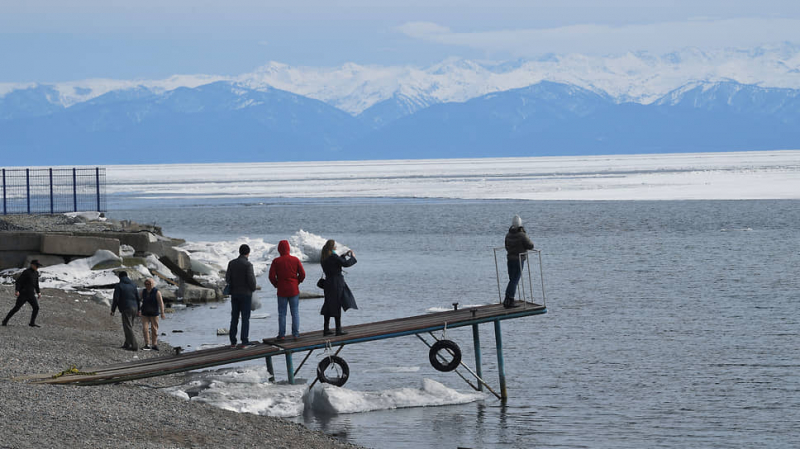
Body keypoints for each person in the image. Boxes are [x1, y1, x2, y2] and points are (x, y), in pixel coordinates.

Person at [268, 240, 306, 341]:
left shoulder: (276, 261)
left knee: (282, 313)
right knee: (295, 312)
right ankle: (296, 334)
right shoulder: (295, 260)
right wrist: (297, 282)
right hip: (293, 289)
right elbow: (302, 274)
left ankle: (282, 334)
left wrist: (276, 284)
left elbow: (271, 276)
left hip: (282, 290)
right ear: (289, 248)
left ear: (279, 249)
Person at [319, 239, 357, 336]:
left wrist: (343, 255)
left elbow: (338, 261)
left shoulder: (324, 257)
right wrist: (352, 257)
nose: (336, 247)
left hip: (328, 283)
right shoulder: (333, 256)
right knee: (337, 304)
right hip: (336, 283)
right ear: (332, 247)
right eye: (335, 246)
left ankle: (326, 329)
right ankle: (338, 330)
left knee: (328, 304)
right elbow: (346, 264)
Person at [226, 244, 257, 348]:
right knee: (245, 318)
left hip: (234, 294)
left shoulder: (231, 263)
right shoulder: (248, 265)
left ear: (239, 252)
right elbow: (251, 281)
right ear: (248, 253)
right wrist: (253, 289)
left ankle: (233, 342)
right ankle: (244, 341)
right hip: (246, 295)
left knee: (234, 318)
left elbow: (227, 279)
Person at [504, 214, 534, 308]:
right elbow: (531, 245)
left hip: (510, 259)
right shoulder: (522, 235)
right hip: (518, 260)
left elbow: (506, 246)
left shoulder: (508, 235)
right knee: (515, 280)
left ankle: (507, 299)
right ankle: (510, 299)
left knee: (511, 280)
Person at [3, 259, 43, 327]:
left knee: (36, 307)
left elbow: (36, 284)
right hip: (23, 294)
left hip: (31, 295)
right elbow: (19, 281)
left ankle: (32, 323)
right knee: (16, 308)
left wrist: (38, 292)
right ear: (32, 265)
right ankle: (5, 321)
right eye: (36, 266)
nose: (37, 267)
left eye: (38, 266)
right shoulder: (26, 272)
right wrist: (17, 290)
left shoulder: (36, 273)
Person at [111, 271, 141, 351]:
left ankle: (134, 345)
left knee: (127, 326)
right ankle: (127, 343)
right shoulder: (133, 285)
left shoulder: (119, 286)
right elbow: (138, 298)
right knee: (130, 325)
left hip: (126, 307)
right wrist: (139, 309)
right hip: (135, 307)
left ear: (120, 277)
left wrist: (113, 310)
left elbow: (116, 299)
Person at [139, 277, 165, 351]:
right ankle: (147, 344)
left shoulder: (157, 292)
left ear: (152, 284)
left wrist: (162, 312)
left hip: (154, 313)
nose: (147, 285)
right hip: (145, 313)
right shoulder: (143, 292)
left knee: (154, 329)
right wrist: (138, 310)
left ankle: (154, 344)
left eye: (149, 284)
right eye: (146, 284)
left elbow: (161, 303)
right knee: (145, 329)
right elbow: (139, 300)